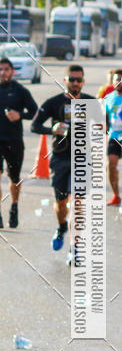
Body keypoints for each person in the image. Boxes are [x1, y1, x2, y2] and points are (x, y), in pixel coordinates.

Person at [31, 65, 94, 252]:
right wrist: (52, 129)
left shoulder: (92, 102)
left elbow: (105, 126)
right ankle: (61, 227)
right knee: (60, 202)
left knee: (78, 203)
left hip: (82, 159)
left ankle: (75, 248)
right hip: (60, 159)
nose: (75, 83)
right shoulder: (53, 103)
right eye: (72, 79)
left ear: (83, 82)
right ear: (65, 80)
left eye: (79, 80)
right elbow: (34, 125)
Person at [0, 57, 37, 228]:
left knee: (14, 178)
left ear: (12, 71)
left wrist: (19, 115)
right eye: (0, 69)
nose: (3, 72)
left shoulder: (20, 91)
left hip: (14, 140)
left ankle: (14, 207)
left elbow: (34, 112)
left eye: (6, 69)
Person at [103, 70, 122, 210]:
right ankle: (116, 195)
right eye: (116, 79)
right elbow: (106, 116)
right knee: (111, 164)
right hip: (114, 136)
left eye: (121, 79)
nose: (118, 82)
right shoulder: (109, 98)